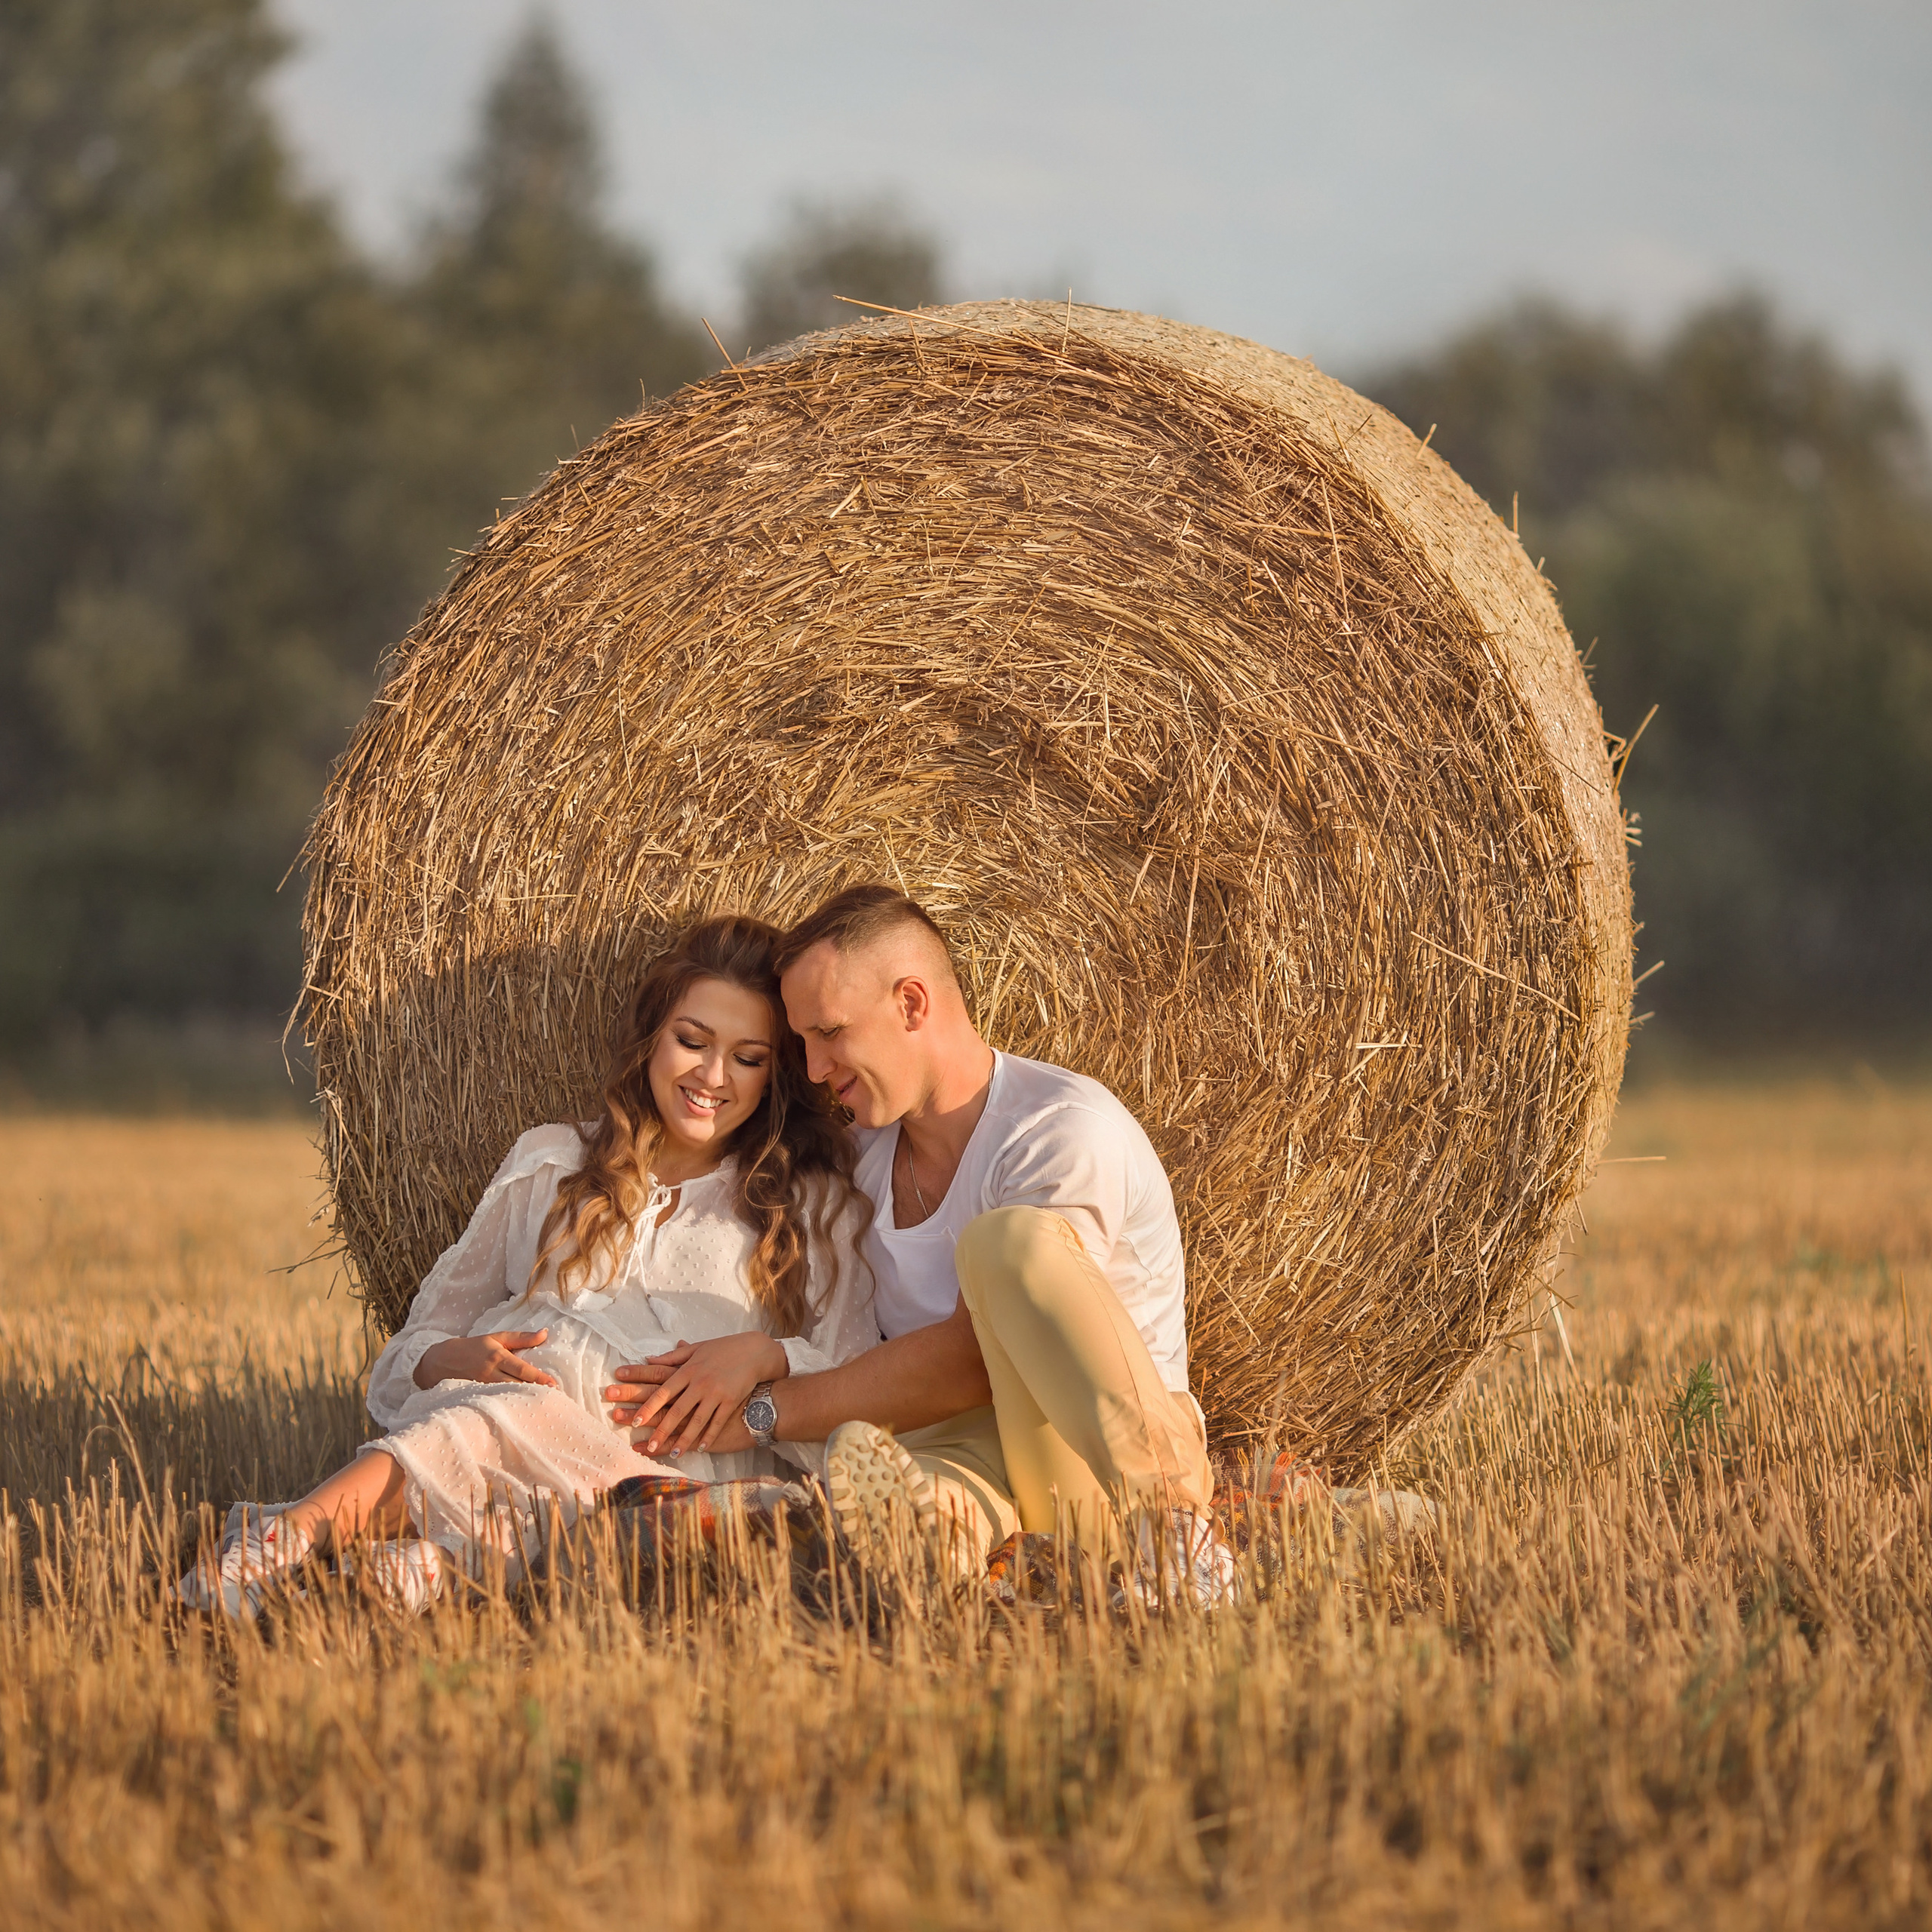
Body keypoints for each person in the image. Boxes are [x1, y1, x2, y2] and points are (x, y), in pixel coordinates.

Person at [177, 915, 875, 1620]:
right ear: (651, 1038)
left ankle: (301, 1545)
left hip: (656, 1484)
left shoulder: (809, 1208)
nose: (712, 1076)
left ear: (775, 1076)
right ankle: (324, 1557)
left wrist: (764, 1355)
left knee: (522, 1437)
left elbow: (857, 1387)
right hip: (494, 1433)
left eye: (748, 1058)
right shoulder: (551, 1163)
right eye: (691, 1041)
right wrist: (461, 1355)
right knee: (518, 1415)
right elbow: (401, 1363)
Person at [611, 884, 1235, 1601]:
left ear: (911, 1003)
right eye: (802, 1043)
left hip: (1088, 1462)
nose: (813, 1070)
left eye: (830, 1033)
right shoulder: (861, 1162)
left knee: (1006, 1246)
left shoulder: (1058, 1130)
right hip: (955, 1450)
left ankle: (1179, 1538)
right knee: (893, 1523)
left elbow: (976, 1357)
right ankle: (928, 1566)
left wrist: (765, 1410)